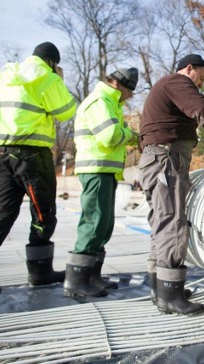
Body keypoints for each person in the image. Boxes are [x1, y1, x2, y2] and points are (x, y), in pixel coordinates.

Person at [0, 42, 77, 295]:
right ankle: (40, 272)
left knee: (2, 212)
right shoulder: (45, 76)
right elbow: (66, 111)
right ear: (52, 62)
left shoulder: (3, 75)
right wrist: (57, 80)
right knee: (43, 212)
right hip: (30, 154)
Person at [138, 54, 204, 315]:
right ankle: (170, 296)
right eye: (201, 78)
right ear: (189, 68)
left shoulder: (164, 87)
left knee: (162, 221)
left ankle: (160, 289)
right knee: (173, 221)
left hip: (157, 159)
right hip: (167, 160)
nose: (201, 84)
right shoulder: (177, 81)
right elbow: (202, 108)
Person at [63, 68, 139, 298]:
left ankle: (92, 276)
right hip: (95, 170)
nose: (130, 96)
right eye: (129, 90)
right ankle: (76, 281)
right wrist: (129, 132)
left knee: (104, 224)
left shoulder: (111, 102)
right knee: (94, 221)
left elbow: (117, 134)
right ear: (116, 84)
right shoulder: (99, 101)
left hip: (105, 171)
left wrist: (131, 134)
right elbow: (110, 136)